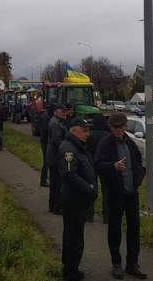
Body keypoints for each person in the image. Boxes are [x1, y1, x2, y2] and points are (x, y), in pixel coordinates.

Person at [95, 113, 147, 280]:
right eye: (115, 128)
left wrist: (139, 178)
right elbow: (98, 165)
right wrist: (113, 166)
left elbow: (138, 162)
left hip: (132, 193)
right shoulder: (105, 144)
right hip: (115, 194)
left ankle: (132, 264)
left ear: (125, 126)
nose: (118, 130)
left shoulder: (130, 142)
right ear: (110, 128)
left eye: (121, 127)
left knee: (134, 229)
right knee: (115, 229)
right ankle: (116, 264)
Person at [58, 118, 97, 281]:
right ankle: (70, 271)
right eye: (84, 130)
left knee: (75, 236)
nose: (88, 134)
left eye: (88, 130)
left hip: (79, 199)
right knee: (73, 238)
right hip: (74, 200)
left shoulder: (78, 146)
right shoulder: (69, 148)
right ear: (74, 130)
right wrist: (88, 188)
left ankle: (71, 268)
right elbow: (69, 174)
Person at [46, 103, 71, 214]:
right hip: (56, 157)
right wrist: (67, 148)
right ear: (56, 111)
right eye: (62, 111)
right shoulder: (55, 123)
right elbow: (57, 141)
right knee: (57, 183)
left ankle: (54, 205)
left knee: (56, 182)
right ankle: (56, 206)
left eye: (65, 111)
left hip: (55, 156)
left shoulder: (58, 121)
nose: (64, 113)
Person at [86, 113, 110, 223]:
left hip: (92, 164)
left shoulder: (89, 134)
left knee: (91, 189)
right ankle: (106, 215)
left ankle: (89, 214)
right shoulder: (107, 135)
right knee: (106, 191)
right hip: (105, 165)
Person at [38, 103, 54, 186]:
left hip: (44, 141)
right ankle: (43, 180)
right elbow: (46, 129)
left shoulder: (44, 115)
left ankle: (44, 180)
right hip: (45, 142)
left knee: (46, 162)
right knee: (46, 162)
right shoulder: (46, 117)